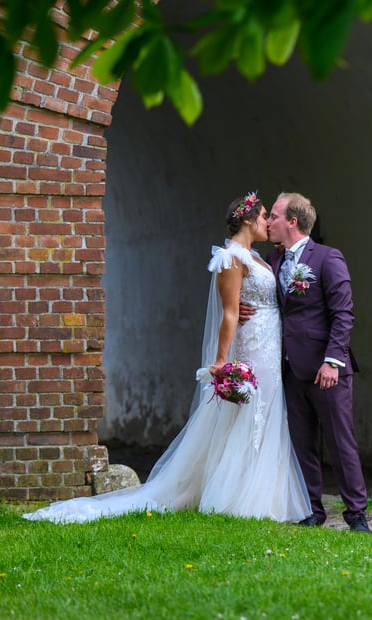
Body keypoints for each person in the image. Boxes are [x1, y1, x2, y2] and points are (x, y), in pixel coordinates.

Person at [22, 192, 310, 524]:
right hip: (253, 346)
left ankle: (264, 494)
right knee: (249, 416)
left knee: (269, 413)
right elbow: (230, 313)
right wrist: (221, 361)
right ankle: (239, 497)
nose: (267, 222)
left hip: (270, 344)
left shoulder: (257, 257)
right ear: (247, 218)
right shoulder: (230, 258)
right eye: (263, 216)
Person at [264, 191, 371, 533]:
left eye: (274, 216)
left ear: (292, 222)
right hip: (290, 369)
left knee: (340, 442)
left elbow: (343, 313)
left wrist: (332, 361)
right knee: (302, 444)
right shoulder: (273, 261)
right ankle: (312, 510)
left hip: (327, 370)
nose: (268, 222)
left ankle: (356, 515)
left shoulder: (327, 258)